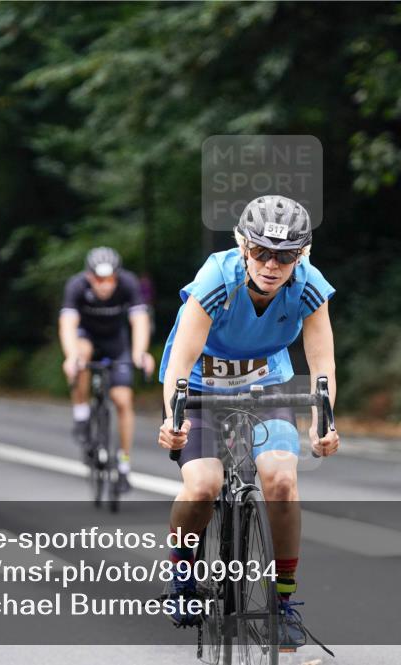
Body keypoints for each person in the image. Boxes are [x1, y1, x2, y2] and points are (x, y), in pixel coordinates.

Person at [156, 195, 340, 650]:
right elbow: (180, 360)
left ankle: (283, 602)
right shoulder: (217, 280)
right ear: (242, 246)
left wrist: (324, 422)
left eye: (285, 256)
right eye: (260, 252)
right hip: (200, 386)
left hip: (266, 387)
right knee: (203, 485)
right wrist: (174, 419)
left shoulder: (309, 286)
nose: (271, 265)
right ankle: (182, 575)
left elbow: (322, 365)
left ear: (302, 255)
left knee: (281, 481)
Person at [59, 247, 155, 492]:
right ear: (89, 276)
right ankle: (81, 414)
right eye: (99, 280)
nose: (104, 285)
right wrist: (71, 357)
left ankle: (123, 465)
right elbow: (68, 324)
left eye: (110, 279)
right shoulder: (76, 286)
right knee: (81, 356)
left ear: (117, 276)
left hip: (115, 343)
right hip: (86, 338)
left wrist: (140, 353)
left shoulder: (128, 283)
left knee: (123, 400)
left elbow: (139, 320)